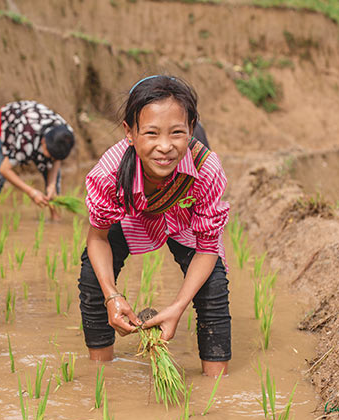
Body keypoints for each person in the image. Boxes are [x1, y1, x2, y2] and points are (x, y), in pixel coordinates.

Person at [78, 75, 231, 377]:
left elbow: (208, 247)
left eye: (177, 133)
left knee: (213, 289)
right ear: (129, 133)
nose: (165, 147)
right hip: (134, 215)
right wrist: (112, 295)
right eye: (151, 133)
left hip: (185, 221)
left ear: (191, 129)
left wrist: (178, 306)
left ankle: (217, 383)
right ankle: (99, 370)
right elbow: (97, 238)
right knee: (93, 278)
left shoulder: (207, 170)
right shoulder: (110, 173)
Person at [0, 101, 75, 220]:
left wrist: (51, 185)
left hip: (30, 123)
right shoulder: (27, 138)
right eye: (50, 155)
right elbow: (4, 169)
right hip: (5, 125)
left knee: (54, 192)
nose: (52, 159)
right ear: (44, 142)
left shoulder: (66, 135)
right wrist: (32, 192)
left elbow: (56, 160)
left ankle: (56, 221)